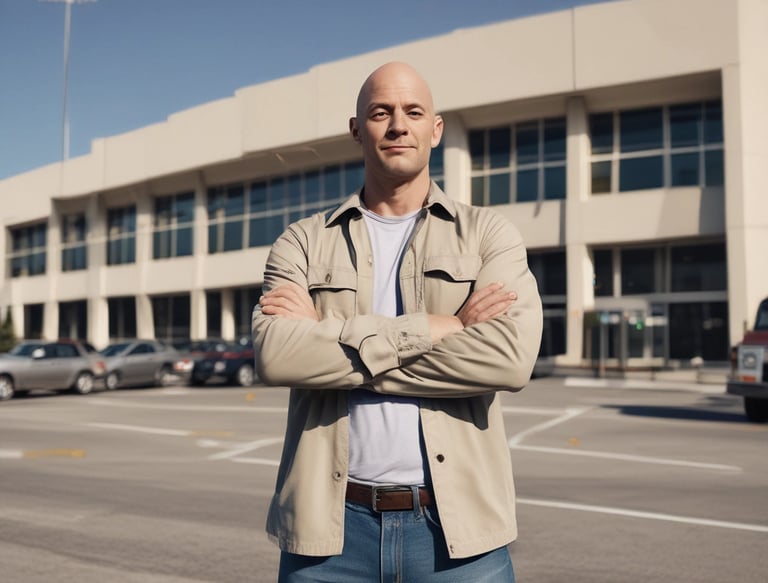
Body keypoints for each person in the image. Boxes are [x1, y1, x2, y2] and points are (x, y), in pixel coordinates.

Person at [252, 61, 543, 582]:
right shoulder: (303, 241)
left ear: (435, 129)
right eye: (380, 112)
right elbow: (277, 355)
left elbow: (508, 360)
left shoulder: (486, 235)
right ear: (357, 130)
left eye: (413, 111)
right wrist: (438, 327)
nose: (397, 125)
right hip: (330, 538)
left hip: (458, 539)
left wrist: (333, 343)